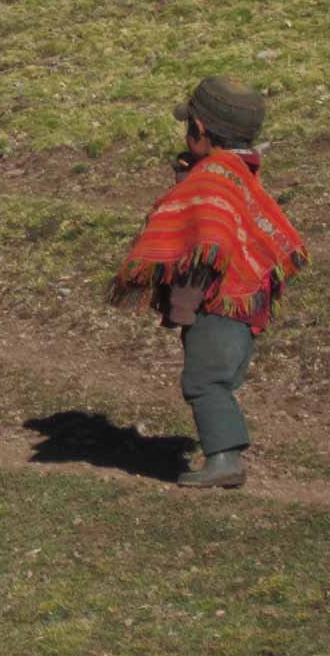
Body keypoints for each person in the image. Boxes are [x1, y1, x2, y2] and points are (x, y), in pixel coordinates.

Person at [110, 76, 308, 488]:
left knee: (203, 381)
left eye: (188, 128)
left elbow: (203, 245)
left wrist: (182, 310)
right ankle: (223, 453)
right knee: (218, 378)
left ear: (199, 130)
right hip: (246, 299)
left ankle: (225, 461)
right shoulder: (239, 172)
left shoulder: (211, 180)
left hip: (218, 304)